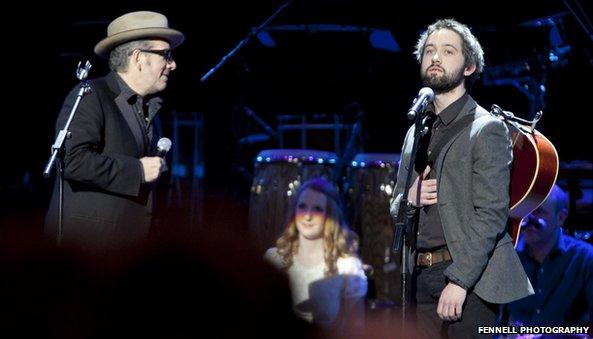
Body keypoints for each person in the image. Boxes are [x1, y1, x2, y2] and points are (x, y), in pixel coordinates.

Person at [390, 18, 533, 338]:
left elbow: (492, 214)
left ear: (469, 66)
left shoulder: (486, 129)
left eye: (447, 51)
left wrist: (459, 280)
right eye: (429, 51)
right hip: (419, 277)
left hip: (468, 280)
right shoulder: (416, 131)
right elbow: (396, 207)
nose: (436, 58)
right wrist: (408, 199)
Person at [45, 11, 184, 252]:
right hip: (86, 251)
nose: (172, 64)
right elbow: (71, 161)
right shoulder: (91, 95)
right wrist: (137, 170)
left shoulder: (150, 106)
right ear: (139, 58)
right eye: (166, 55)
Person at [264, 177, 367, 329]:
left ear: (330, 215)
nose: (308, 216)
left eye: (317, 209)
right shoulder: (274, 259)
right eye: (302, 207)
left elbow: (356, 329)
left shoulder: (347, 267)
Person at [504, 185, 593, 326]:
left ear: (561, 218)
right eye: (525, 211)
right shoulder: (508, 256)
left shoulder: (585, 257)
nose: (527, 219)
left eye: (538, 212)